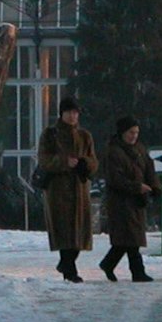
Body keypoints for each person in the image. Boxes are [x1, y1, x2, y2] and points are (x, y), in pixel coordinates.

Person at [37, 95, 98, 281]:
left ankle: (66, 264)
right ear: (61, 114)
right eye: (69, 112)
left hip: (79, 189)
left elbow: (94, 161)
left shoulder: (84, 136)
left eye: (75, 113)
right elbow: (44, 159)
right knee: (63, 231)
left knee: (79, 232)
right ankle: (70, 271)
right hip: (58, 190)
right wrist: (64, 162)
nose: (72, 116)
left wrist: (84, 164)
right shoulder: (50, 134)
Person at [99, 115, 158, 281]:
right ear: (122, 132)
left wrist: (155, 187)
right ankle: (137, 272)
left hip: (137, 201)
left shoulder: (139, 149)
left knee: (127, 239)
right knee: (131, 238)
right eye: (131, 132)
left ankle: (109, 263)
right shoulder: (113, 152)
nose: (134, 136)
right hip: (120, 201)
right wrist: (136, 187)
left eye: (136, 132)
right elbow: (115, 179)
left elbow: (149, 169)